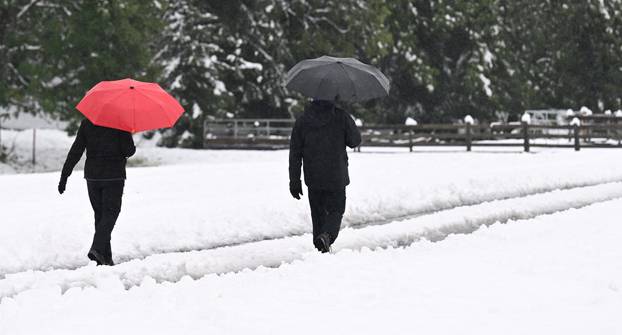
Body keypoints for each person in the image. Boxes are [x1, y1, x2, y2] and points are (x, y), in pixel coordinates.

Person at [58, 118, 135, 266]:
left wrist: (65, 175)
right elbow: (129, 150)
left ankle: (105, 259)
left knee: (101, 216)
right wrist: (128, 134)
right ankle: (98, 249)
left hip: (93, 177)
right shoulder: (120, 122)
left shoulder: (88, 122)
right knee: (111, 213)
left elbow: (77, 149)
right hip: (113, 176)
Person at [289, 99, 361, 253]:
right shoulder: (341, 117)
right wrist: (348, 118)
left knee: (318, 214)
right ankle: (327, 236)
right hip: (336, 175)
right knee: (336, 210)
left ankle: (320, 248)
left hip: (313, 176)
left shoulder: (303, 120)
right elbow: (355, 141)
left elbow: (295, 153)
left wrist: (294, 180)